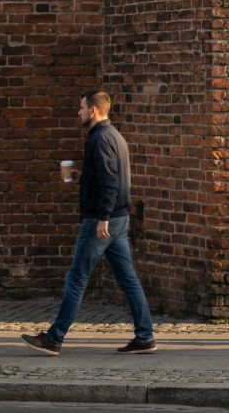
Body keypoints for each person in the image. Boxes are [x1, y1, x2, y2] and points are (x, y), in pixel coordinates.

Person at [22, 90, 156, 356]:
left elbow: (110, 181)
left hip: (101, 220)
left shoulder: (101, 138)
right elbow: (107, 176)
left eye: (81, 107)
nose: (79, 112)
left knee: (77, 278)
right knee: (128, 279)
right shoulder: (114, 136)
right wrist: (83, 175)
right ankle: (145, 336)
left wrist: (103, 217)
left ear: (93, 110)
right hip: (118, 218)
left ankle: (54, 338)